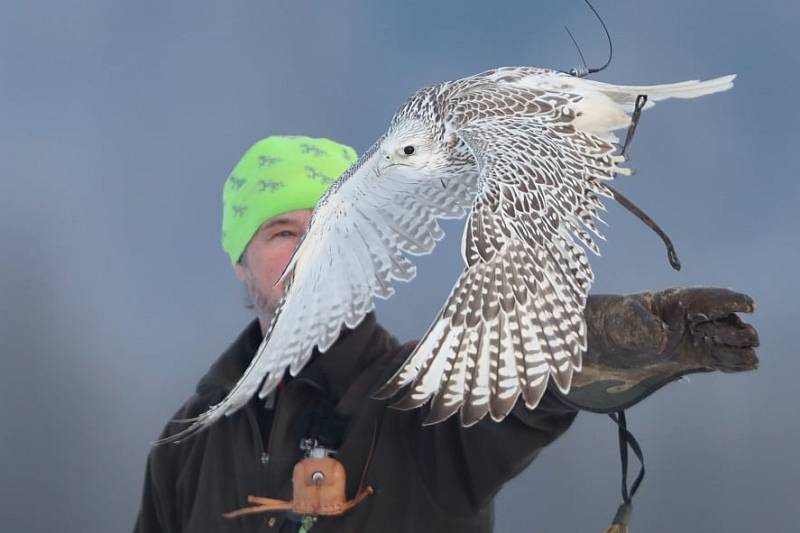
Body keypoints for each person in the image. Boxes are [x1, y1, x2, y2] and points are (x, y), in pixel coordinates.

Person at [133, 135, 759, 533]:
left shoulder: (427, 393)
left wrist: (633, 333)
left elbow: (525, 372)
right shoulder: (187, 445)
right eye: (282, 233)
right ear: (240, 261)